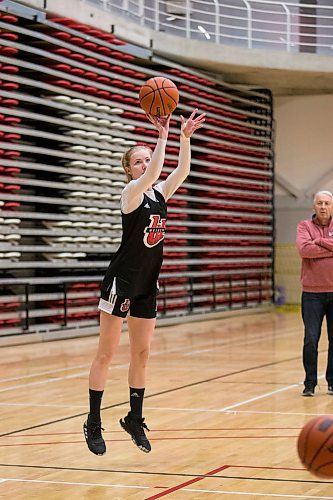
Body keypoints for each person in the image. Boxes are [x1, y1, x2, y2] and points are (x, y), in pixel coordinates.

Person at [83, 108, 206, 455]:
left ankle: (133, 419)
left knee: (142, 353)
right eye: (138, 161)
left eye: (147, 159)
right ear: (129, 169)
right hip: (121, 281)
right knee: (106, 354)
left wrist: (184, 138)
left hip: (147, 283)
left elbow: (181, 170)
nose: (145, 164)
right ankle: (93, 421)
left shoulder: (159, 195)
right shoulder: (131, 194)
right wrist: (164, 133)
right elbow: (154, 173)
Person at [296, 190, 333, 397]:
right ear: (313, 206)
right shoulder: (304, 226)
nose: (323, 207)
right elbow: (304, 250)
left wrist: (318, 242)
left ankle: (332, 382)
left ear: (332, 206)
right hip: (312, 294)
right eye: (319, 203)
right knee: (311, 339)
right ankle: (309, 383)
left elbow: (312, 248)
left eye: (327, 203)